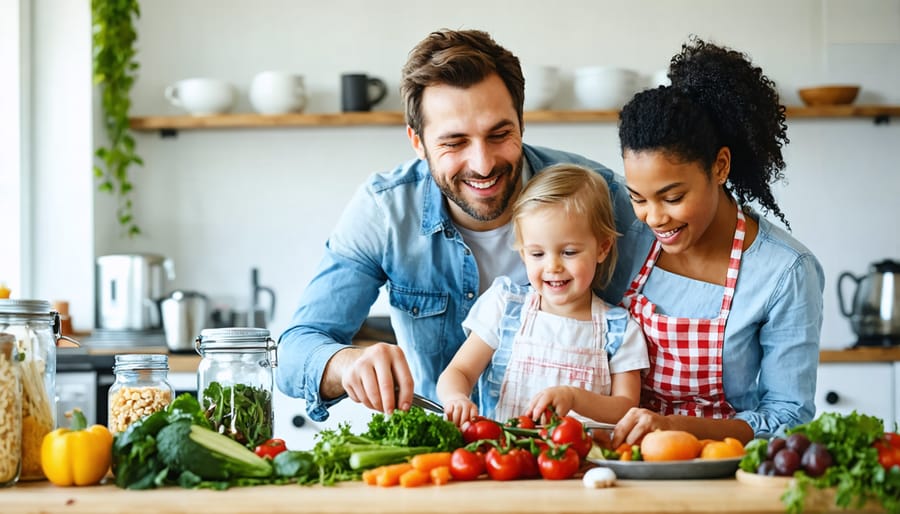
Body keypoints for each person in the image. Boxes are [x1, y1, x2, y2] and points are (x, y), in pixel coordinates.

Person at [275, 29, 651, 422]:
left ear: (521, 124)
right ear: (417, 142)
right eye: (454, 142)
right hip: (442, 458)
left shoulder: (599, 195)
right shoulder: (384, 212)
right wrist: (345, 363)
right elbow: (294, 350)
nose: (483, 164)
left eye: (499, 134)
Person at [610, 37, 825, 447]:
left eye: (673, 198)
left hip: (722, 467)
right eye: (639, 198)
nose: (655, 218)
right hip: (619, 460)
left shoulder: (785, 272)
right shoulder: (623, 235)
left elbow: (787, 417)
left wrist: (677, 427)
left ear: (720, 166)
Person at [436, 164, 648, 427]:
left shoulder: (620, 330)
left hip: (583, 462)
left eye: (569, 252)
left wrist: (574, 398)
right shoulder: (505, 307)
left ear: (602, 248)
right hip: (507, 458)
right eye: (537, 254)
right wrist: (456, 397)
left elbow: (626, 407)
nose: (553, 267)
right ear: (523, 253)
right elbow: (459, 371)